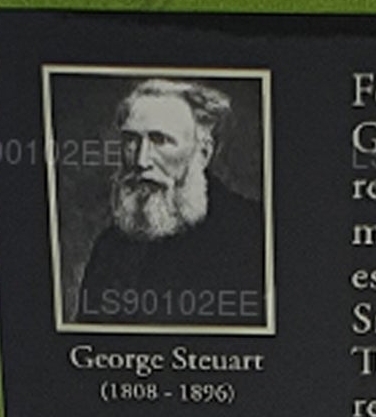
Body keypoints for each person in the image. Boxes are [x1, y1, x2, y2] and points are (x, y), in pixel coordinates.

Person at [76, 78, 265, 326]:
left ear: (203, 153)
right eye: (131, 140)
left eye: (160, 140)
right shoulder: (110, 248)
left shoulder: (255, 233)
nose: (141, 160)